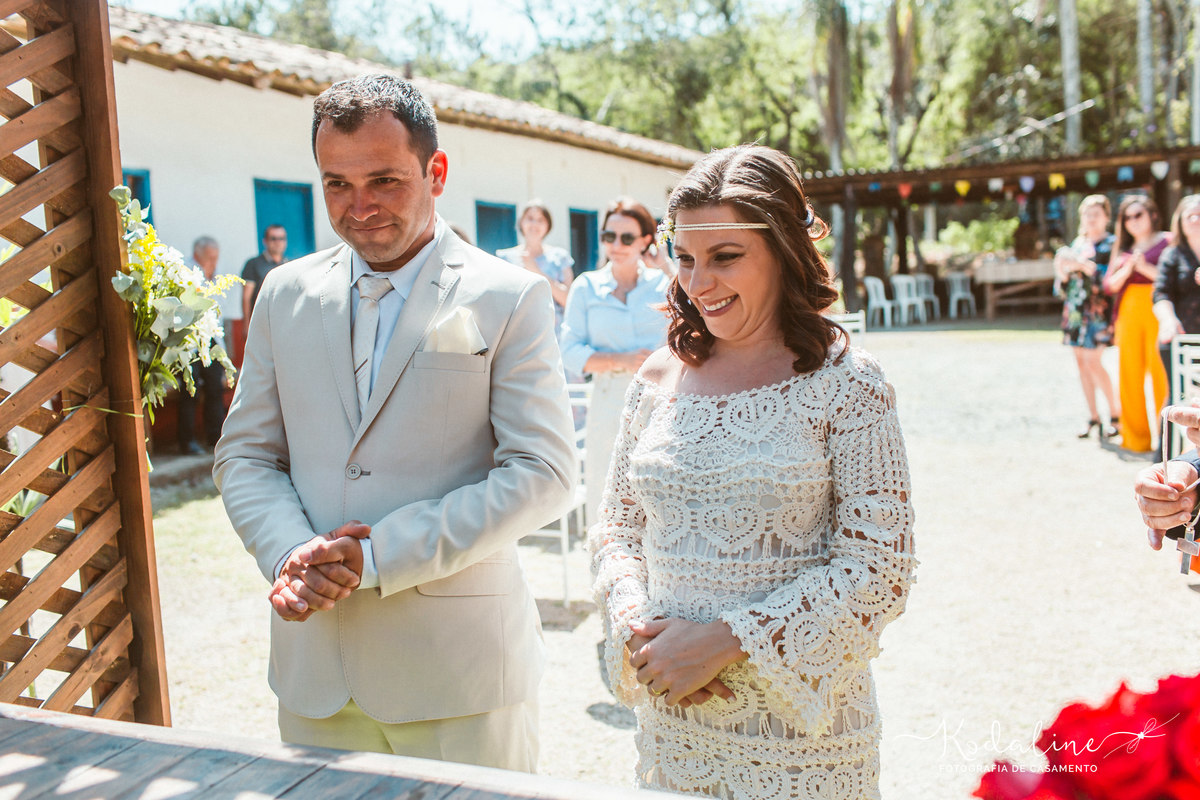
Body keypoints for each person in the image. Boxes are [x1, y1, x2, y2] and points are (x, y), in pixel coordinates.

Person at [213, 74, 576, 768]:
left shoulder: (509, 297)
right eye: (336, 185)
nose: (360, 207)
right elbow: (246, 457)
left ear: (436, 172)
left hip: (459, 678)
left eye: (384, 180)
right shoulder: (284, 294)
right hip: (316, 672)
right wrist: (292, 556)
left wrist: (378, 557)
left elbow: (544, 473)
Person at [589, 145, 916, 800]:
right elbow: (617, 532)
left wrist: (727, 640)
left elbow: (881, 567)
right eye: (684, 258)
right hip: (674, 725)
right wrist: (634, 625)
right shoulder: (655, 381)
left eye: (725, 256)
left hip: (802, 742)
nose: (698, 282)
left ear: (785, 249)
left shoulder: (848, 384)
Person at [560, 197, 671, 523]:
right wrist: (618, 359)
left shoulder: (664, 285)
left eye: (627, 238)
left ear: (646, 241)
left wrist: (666, 265)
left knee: (661, 491)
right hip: (608, 400)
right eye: (609, 236)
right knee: (606, 494)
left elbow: (692, 330)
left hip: (661, 400)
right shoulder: (586, 287)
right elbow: (568, 351)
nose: (617, 245)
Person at [1103, 195, 1171, 453]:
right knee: (1129, 374)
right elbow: (1109, 285)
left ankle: (1166, 438)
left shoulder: (1168, 240)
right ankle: (1135, 438)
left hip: (1157, 308)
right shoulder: (1122, 249)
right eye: (1127, 217)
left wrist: (1143, 267)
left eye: (1138, 215)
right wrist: (1129, 268)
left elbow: (1171, 279)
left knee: (1160, 372)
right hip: (1128, 312)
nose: (1133, 221)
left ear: (1152, 214)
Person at [1054, 195, 1119, 440]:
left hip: (1097, 312)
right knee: (1081, 364)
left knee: (1094, 361)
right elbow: (1062, 284)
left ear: (1106, 217)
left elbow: (1107, 280)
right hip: (1075, 311)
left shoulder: (1111, 244)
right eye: (1087, 214)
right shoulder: (1077, 244)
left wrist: (1081, 266)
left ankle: (1115, 414)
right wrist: (1063, 268)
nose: (1091, 218)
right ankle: (1093, 417)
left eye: (1096, 213)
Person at [178, 236, 229, 454]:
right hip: (189, 341)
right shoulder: (186, 273)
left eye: (216, 258)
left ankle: (215, 439)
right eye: (210, 258)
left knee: (215, 389)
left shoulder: (213, 277)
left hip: (211, 340)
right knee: (190, 391)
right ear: (198, 255)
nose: (214, 263)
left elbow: (218, 316)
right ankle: (187, 442)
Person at [497, 200, 573, 334]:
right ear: (521, 222)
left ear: (548, 225)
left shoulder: (560, 257)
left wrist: (535, 270)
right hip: (516, 335)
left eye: (540, 220)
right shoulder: (505, 258)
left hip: (553, 337)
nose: (534, 224)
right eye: (530, 218)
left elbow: (569, 301)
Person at [1154, 194, 1200, 395]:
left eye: (1199, 214)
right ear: (1180, 221)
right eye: (1189, 215)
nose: (1195, 220)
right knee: (1179, 396)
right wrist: (1168, 320)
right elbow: (1161, 293)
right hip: (1182, 338)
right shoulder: (1172, 254)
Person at [241, 224, 288, 322]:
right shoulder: (253, 264)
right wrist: (246, 324)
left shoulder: (289, 265)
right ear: (265, 241)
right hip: (261, 321)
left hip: (284, 320)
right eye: (273, 238)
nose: (278, 242)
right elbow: (246, 297)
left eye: (281, 238)